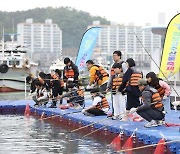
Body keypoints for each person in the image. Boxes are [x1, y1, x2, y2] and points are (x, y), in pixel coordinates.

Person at [107, 50, 127, 117]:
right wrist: (108, 86)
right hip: (114, 86)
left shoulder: (123, 64)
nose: (114, 57)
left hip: (121, 87)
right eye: (113, 56)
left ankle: (122, 115)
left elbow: (126, 75)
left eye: (115, 56)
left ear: (119, 56)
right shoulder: (112, 65)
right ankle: (115, 114)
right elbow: (110, 76)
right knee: (114, 102)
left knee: (122, 102)